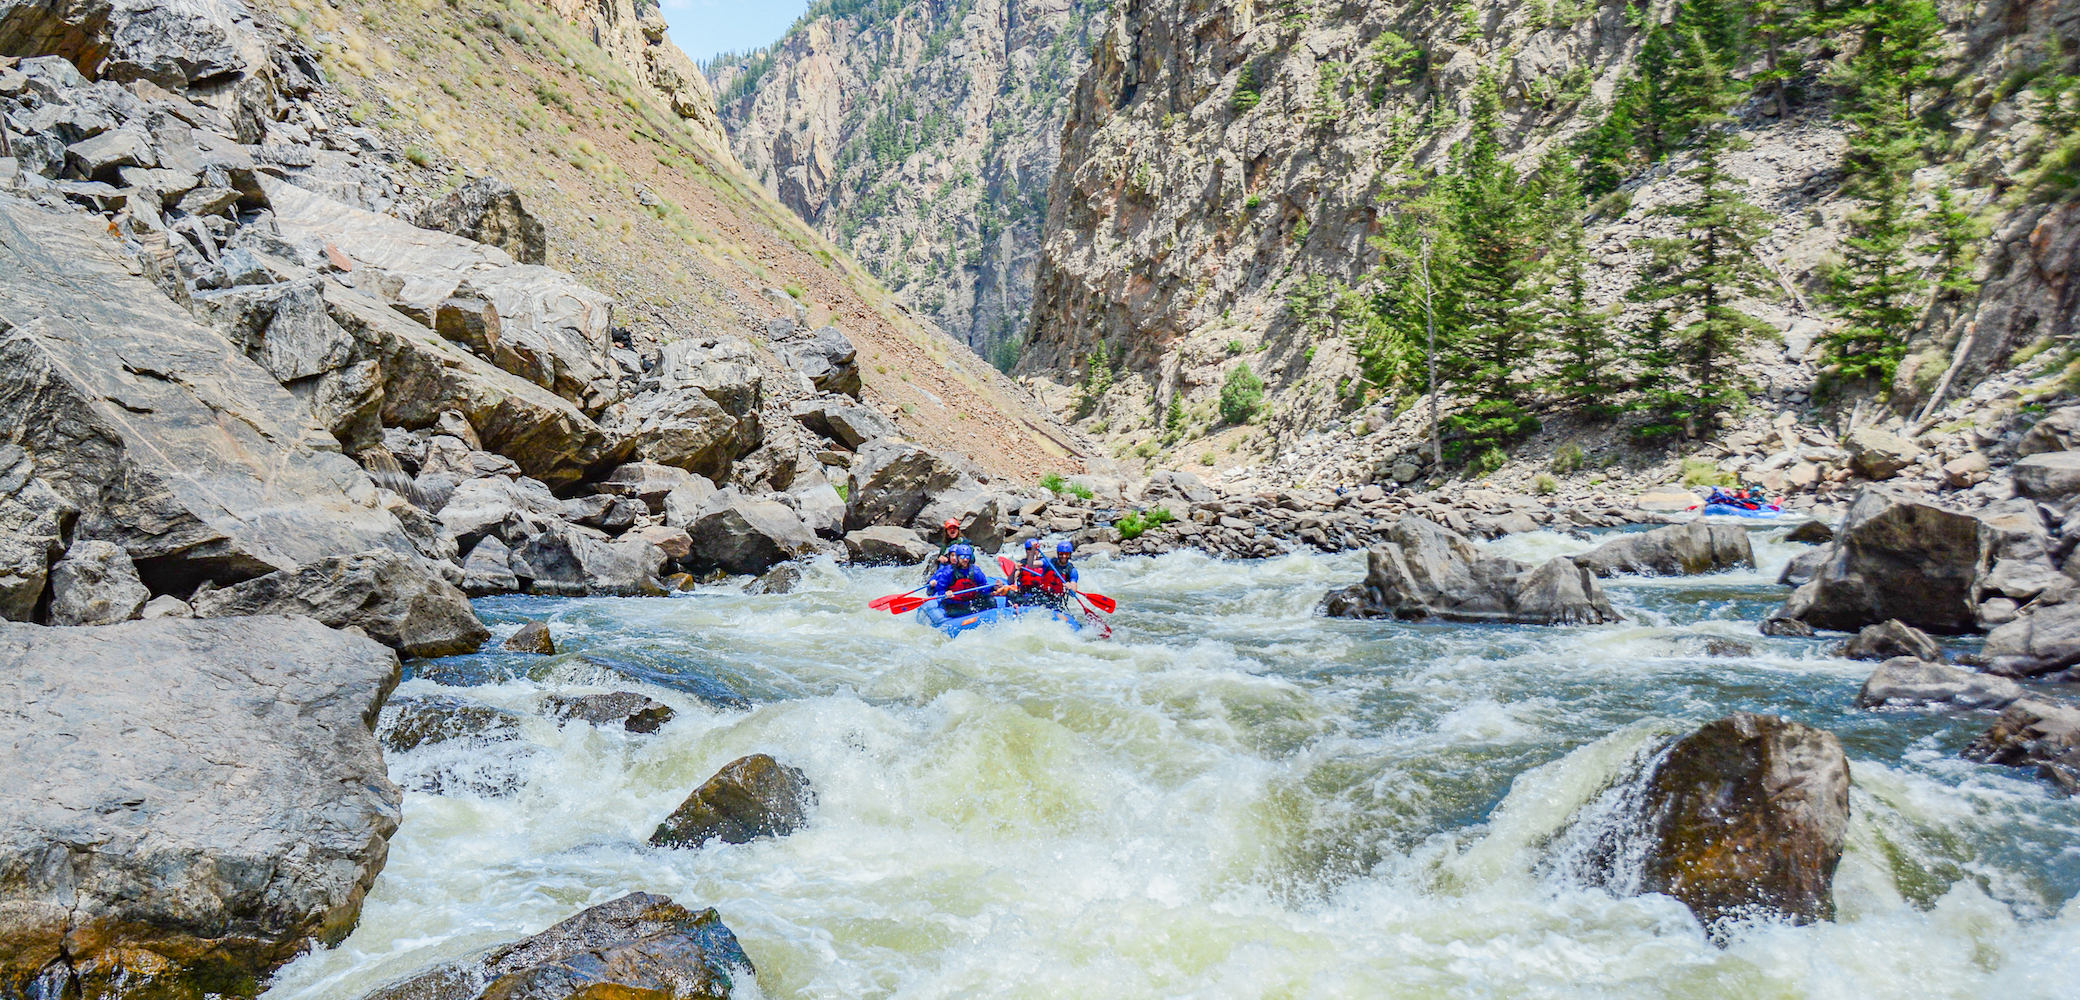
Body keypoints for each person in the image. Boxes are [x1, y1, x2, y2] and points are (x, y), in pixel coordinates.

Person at [925, 544, 1004, 616]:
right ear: (958, 557)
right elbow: (940, 590)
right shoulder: (949, 571)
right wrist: (945, 594)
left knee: (991, 601)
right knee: (961, 612)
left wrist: (994, 588)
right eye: (962, 557)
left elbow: (983, 588)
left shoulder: (975, 570)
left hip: (971, 601)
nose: (965, 559)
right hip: (954, 603)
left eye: (968, 557)